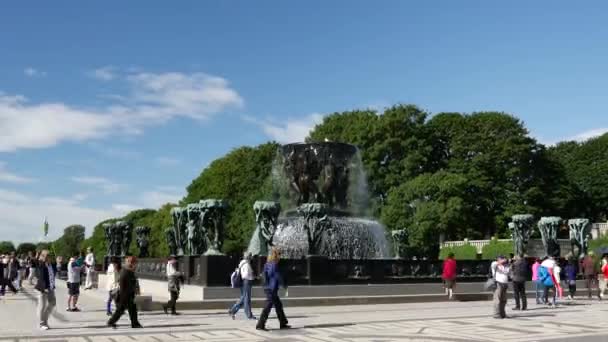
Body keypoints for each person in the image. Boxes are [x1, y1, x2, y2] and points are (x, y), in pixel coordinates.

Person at [256, 248, 290, 331]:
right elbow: (278, 277)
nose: (280, 257)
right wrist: (284, 285)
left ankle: (283, 322)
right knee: (267, 306)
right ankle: (260, 324)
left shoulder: (267, 264)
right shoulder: (274, 265)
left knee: (278, 305)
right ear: (276, 255)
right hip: (272, 288)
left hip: (268, 287)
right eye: (279, 255)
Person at [107, 256, 143, 329]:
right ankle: (111, 322)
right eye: (135, 263)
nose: (136, 265)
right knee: (120, 310)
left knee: (132, 309)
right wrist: (125, 295)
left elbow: (133, 282)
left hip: (128, 294)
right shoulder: (126, 271)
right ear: (131, 263)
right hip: (125, 295)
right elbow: (123, 284)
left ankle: (134, 323)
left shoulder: (128, 271)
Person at [229, 253, 256, 319]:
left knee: (243, 298)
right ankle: (249, 315)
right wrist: (252, 276)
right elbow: (245, 275)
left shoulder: (243, 263)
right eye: (251, 257)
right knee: (247, 299)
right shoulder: (246, 264)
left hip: (244, 282)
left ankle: (232, 310)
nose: (252, 258)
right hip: (247, 282)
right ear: (248, 257)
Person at [35, 250, 57, 330]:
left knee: (52, 303)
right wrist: (44, 288)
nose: (49, 257)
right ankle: (42, 324)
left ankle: (45, 320)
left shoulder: (52, 265)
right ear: (43, 257)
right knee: (42, 306)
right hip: (43, 289)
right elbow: (40, 277)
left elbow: (55, 273)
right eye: (47, 256)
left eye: (49, 255)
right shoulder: (41, 265)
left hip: (51, 288)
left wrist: (59, 263)